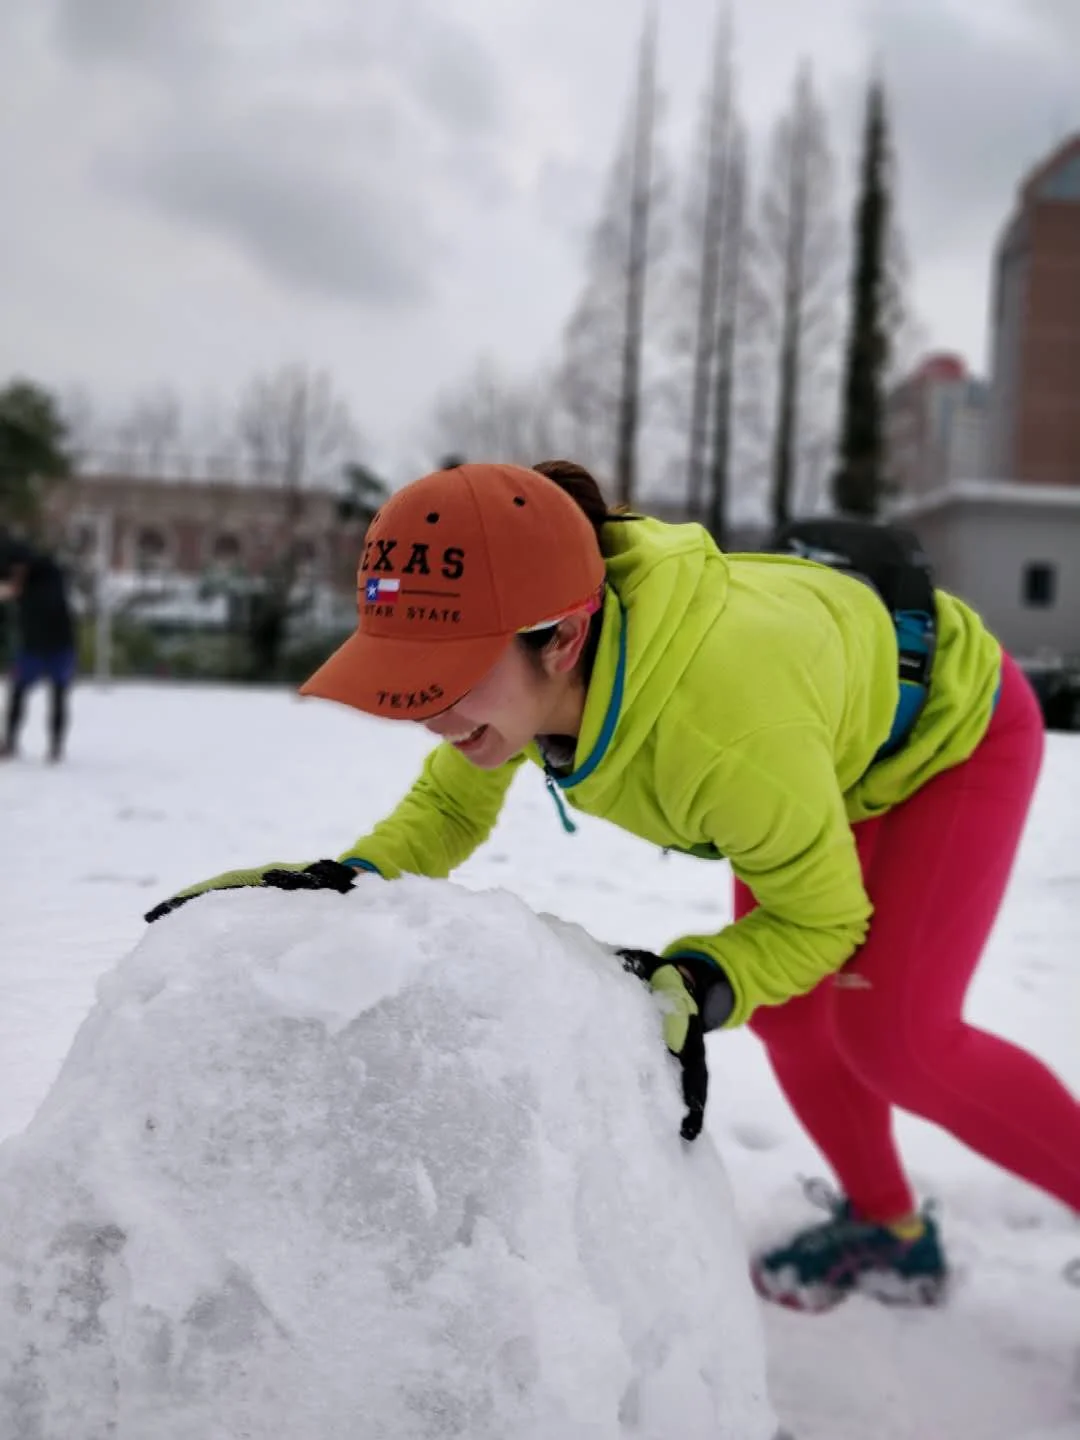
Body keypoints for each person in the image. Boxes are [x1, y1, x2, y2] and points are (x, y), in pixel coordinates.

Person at [146, 460, 1080, 1314]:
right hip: (817, 744)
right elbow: (447, 811)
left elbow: (821, 918)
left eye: (445, 677)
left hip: (950, 735)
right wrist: (343, 880)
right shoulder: (534, 659)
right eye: (409, 679)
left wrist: (700, 983)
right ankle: (891, 1234)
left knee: (898, 1040)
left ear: (563, 639)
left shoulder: (721, 737)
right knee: (796, 1021)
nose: (429, 715)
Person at [0, 534, 77, 762]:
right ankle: (10, 741)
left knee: (58, 694)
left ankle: (55, 746)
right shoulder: (18, 575)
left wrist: (16, 590)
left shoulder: (49, 575)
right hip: (31, 644)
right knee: (17, 692)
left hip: (59, 644)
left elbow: (42, 602)